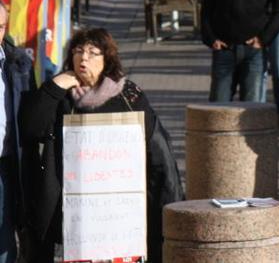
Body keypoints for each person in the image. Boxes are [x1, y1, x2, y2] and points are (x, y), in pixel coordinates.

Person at [19, 28, 183, 261]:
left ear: (107, 60)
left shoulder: (129, 96)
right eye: (78, 51)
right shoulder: (61, 97)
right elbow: (30, 129)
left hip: (120, 217)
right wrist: (55, 86)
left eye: (92, 52)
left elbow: (157, 152)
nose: (83, 58)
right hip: (74, 218)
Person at [0, 1, 33, 261]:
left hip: (5, 165)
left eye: (0, 27)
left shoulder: (18, 63)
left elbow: (31, 115)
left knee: (4, 237)